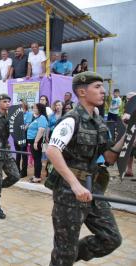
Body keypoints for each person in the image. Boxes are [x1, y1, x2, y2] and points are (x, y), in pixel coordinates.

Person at [46, 71, 123, 265]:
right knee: (65, 252)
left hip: (93, 187)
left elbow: (109, 156)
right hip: (69, 192)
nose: (102, 91)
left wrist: (129, 136)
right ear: (82, 91)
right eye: (97, 87)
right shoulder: (72, 119)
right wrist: (75, 185)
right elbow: (52, 151)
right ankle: (65, 256)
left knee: (111, 238)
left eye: (102, 87)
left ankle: (67, 255)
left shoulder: (98, 121)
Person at [27, 103, 48, 183]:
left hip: (37, 141)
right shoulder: (37, 117)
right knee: (36, 159)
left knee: (37, 159)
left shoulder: (42, 118)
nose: (33, 109)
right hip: (33, 141)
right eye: (33, 108)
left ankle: (37, 177)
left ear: (40, 109)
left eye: (35, 108)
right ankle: (36, 175)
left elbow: (41, 130)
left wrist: (35, 142)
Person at [15, 100, 30, 178]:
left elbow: (26, 126)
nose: (19, 106)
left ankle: (24, 172)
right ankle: (17, 170)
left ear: (25, 105)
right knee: (18, 153)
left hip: (23, 136)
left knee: (24, 154)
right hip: (16, 136)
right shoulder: (16, 114)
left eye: (21, 104)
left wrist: (19, 128)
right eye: (19, 104)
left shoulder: (29, 114)